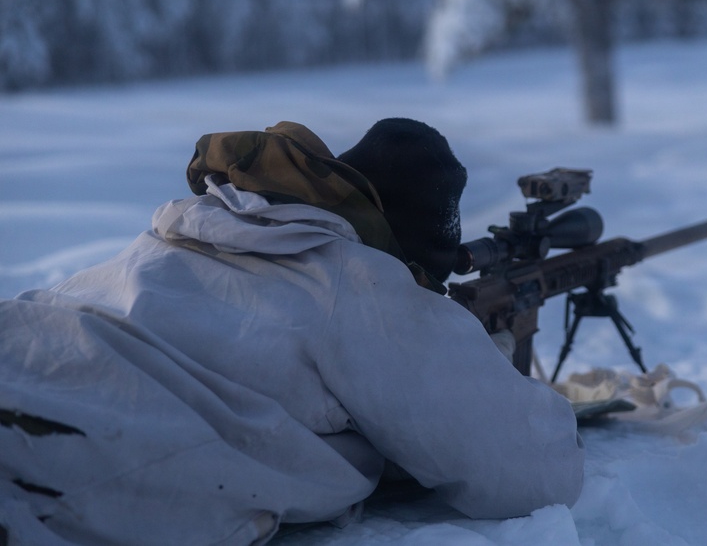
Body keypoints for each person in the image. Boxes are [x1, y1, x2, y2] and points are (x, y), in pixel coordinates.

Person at [0, 119, 584, 546]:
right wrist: (480, 353)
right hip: (50, 459)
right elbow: (532, 472)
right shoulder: (356, 280)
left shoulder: (180, 231)